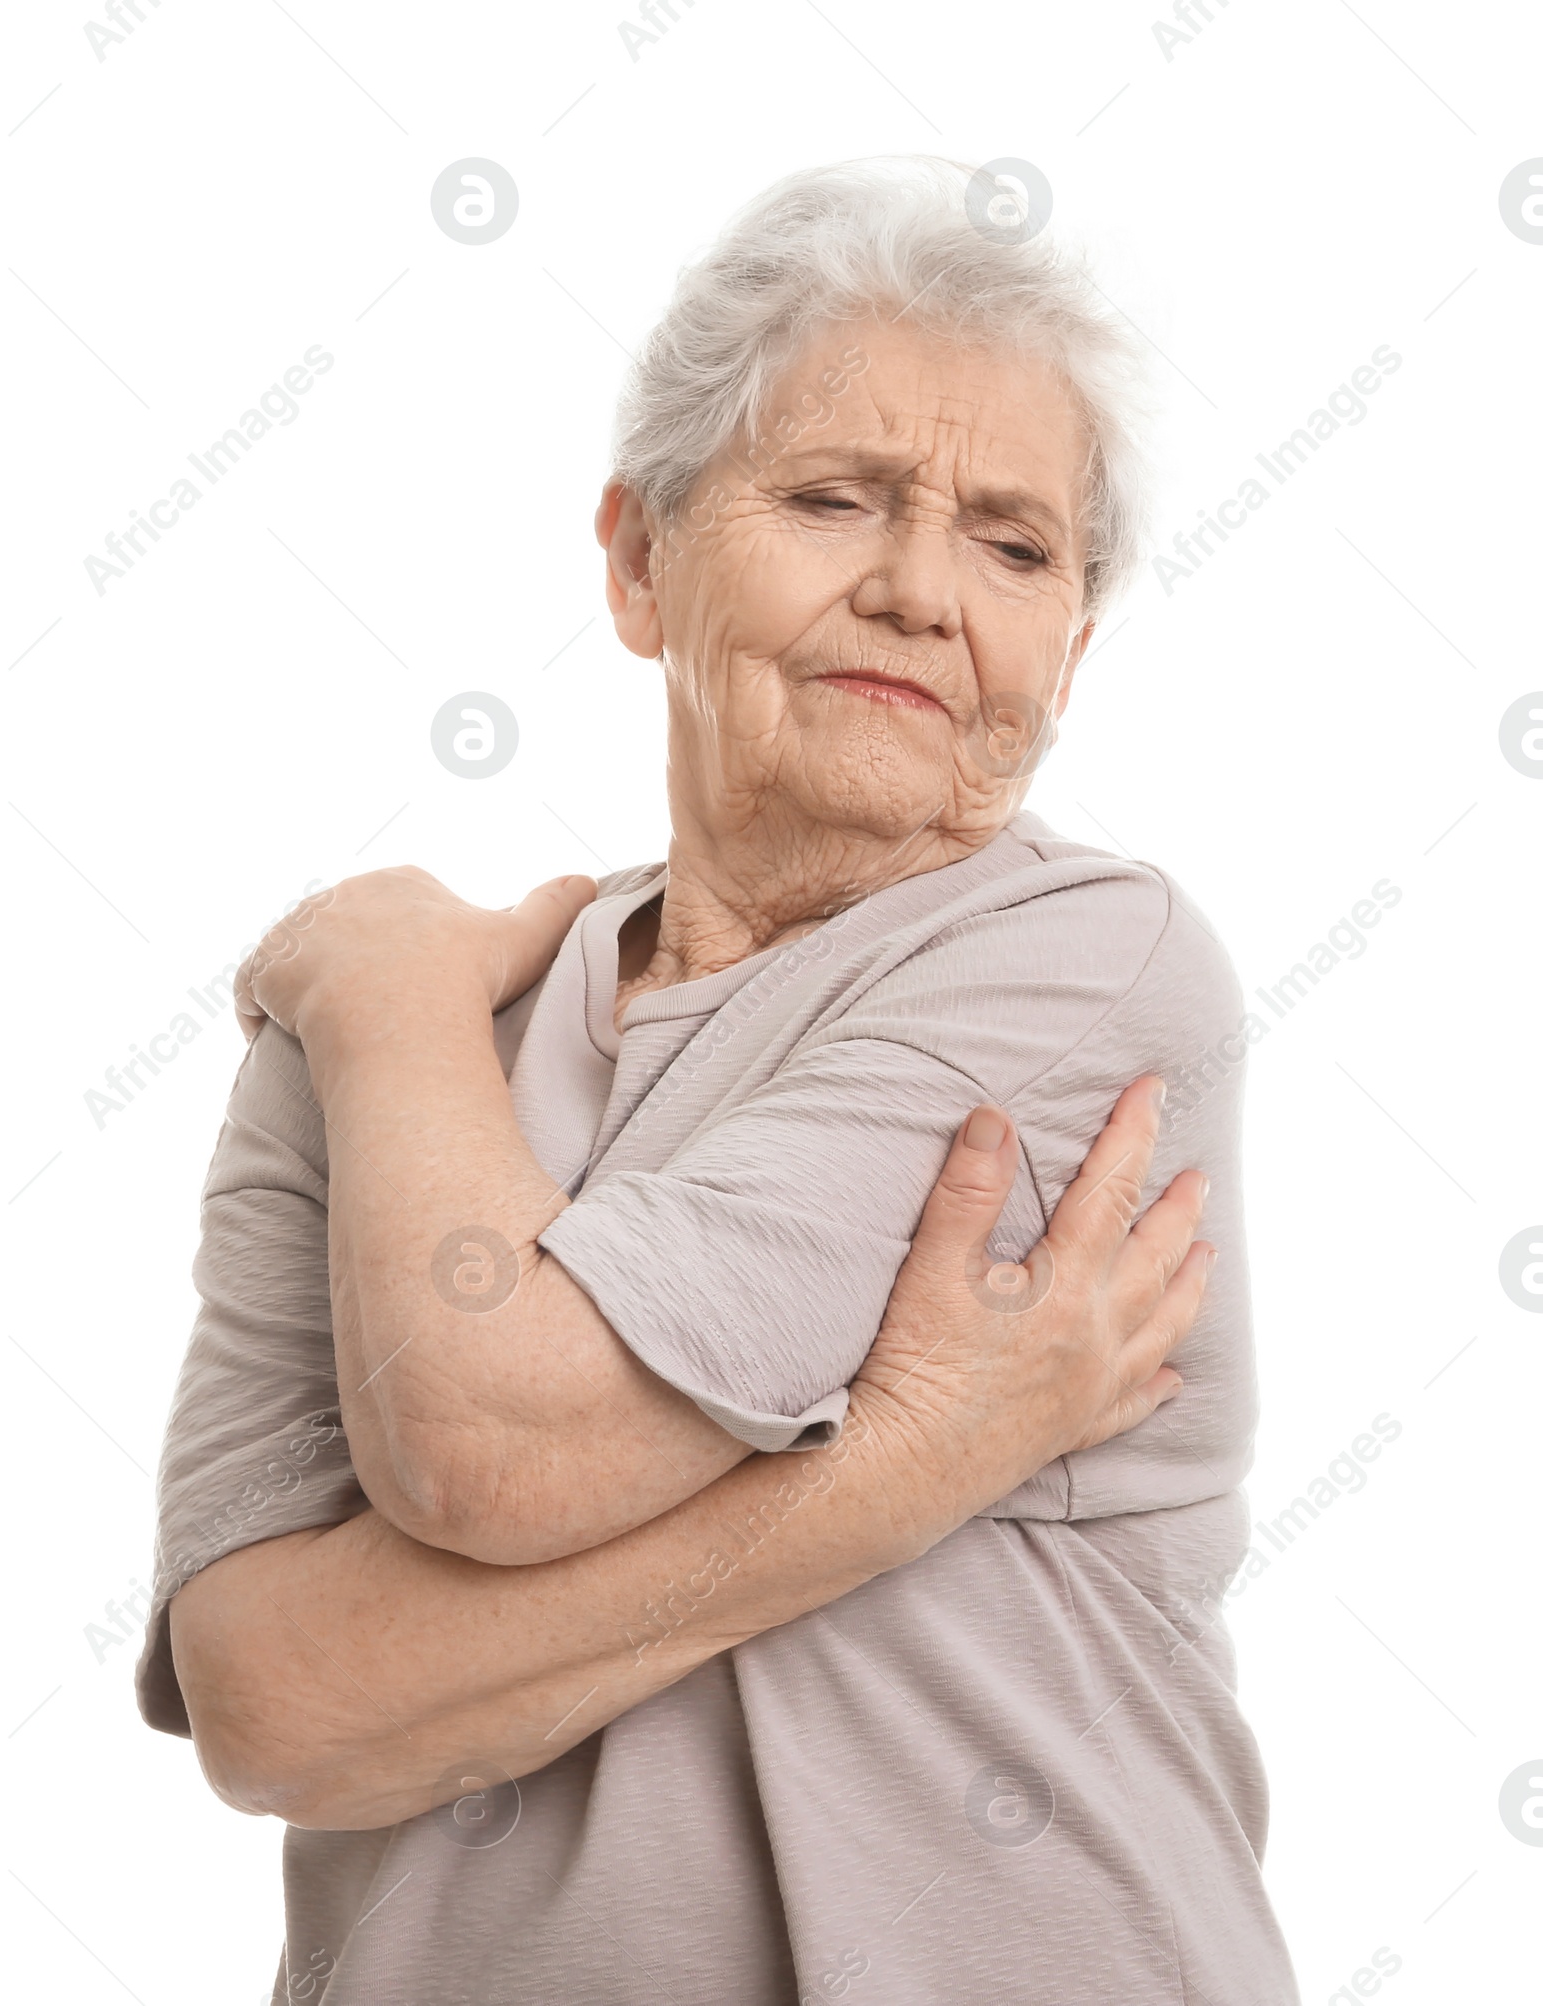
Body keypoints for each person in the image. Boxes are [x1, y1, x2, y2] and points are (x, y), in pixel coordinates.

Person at [139, 155, 1297, 2003]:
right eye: (834, 496)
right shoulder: (402, 1036)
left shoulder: (1095, 965)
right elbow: (272, 1704)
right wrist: (907, 1467)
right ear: (637, 559)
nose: (924, 591)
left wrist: (373, 1006)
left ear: (1069, 651)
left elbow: (489, 1437)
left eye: (1014, 545)